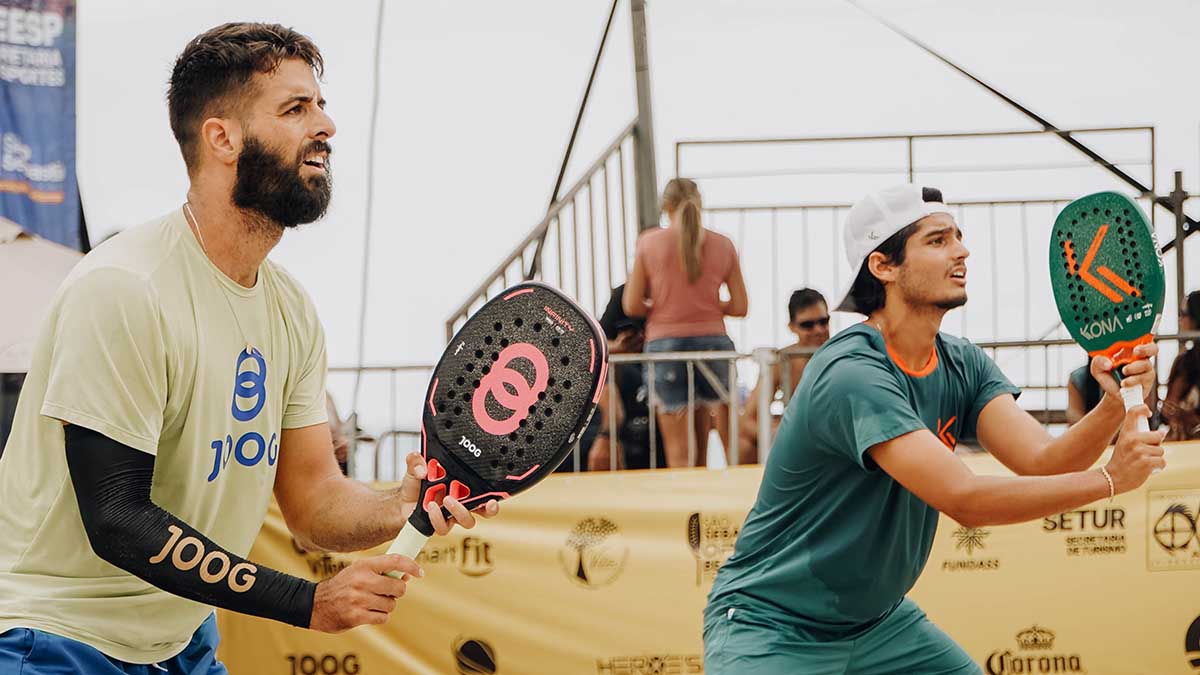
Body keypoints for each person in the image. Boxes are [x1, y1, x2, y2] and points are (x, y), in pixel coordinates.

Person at [0, 23, 497, 674]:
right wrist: (307, 601)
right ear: (222, 138)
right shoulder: (124, 287)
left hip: (178, 640)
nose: (326, 126)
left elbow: (312, 502)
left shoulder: (290, 310)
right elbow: (116, 515)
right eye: (295, 109)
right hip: (52, 635)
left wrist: (399, 505)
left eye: (320, 105)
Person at [703, 185, 1165, 674]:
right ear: (883, 266)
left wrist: (1112, 406)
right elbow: (965, 499)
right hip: (771, 628)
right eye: (938, 240)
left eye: (958, 237)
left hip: (877, 626)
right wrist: (1110, 479)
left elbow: (1044, 462)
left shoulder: (961, 362)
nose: (962, 251)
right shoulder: (851, 373)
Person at [623, 178, 748, 468]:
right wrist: (708, 304)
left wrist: (663, 304)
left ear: (666, 206)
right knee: (728, 445)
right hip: (714, 344)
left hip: (666, 347)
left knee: (679, 454)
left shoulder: (649, 242)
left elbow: (631, 304)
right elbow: (740, 306)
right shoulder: (723, 244)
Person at [737, 288, 831, 463]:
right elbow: (747, 420)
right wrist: (779, 434)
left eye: (823, 321)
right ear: (792, 327)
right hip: (798, 435)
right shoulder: (783, 361)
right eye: (808, 325)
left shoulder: (841, 355)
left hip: (835, 434)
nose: (818, 330)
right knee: (743, 444)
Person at [587, 284, 666, 471]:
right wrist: (620, 347)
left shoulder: (672, 294)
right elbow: (598, 343)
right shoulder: (623, 294)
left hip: (656, 385)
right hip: (628, 385)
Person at [1164, 290, 1200, 440]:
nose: (1180, 320)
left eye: (1183, 314)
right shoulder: (1184, 361)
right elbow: (1169, 406)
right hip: (1184, 437)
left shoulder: (1184, 361)